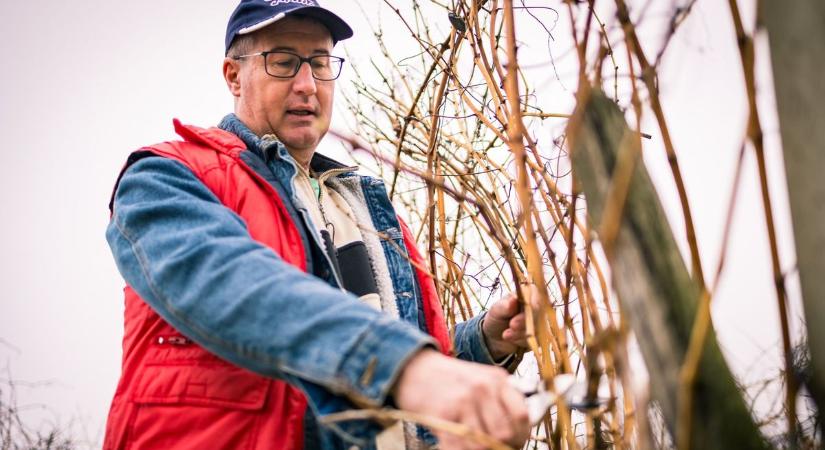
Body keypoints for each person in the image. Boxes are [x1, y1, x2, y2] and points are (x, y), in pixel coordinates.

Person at [104, 1, 532, 449]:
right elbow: (231, 285)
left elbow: (409, 364)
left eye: (321, 64)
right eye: (284, 62)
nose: (307, 85)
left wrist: (486, 342)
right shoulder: (166, 177)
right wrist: (405, 367)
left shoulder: (369, 213)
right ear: (233, 75)